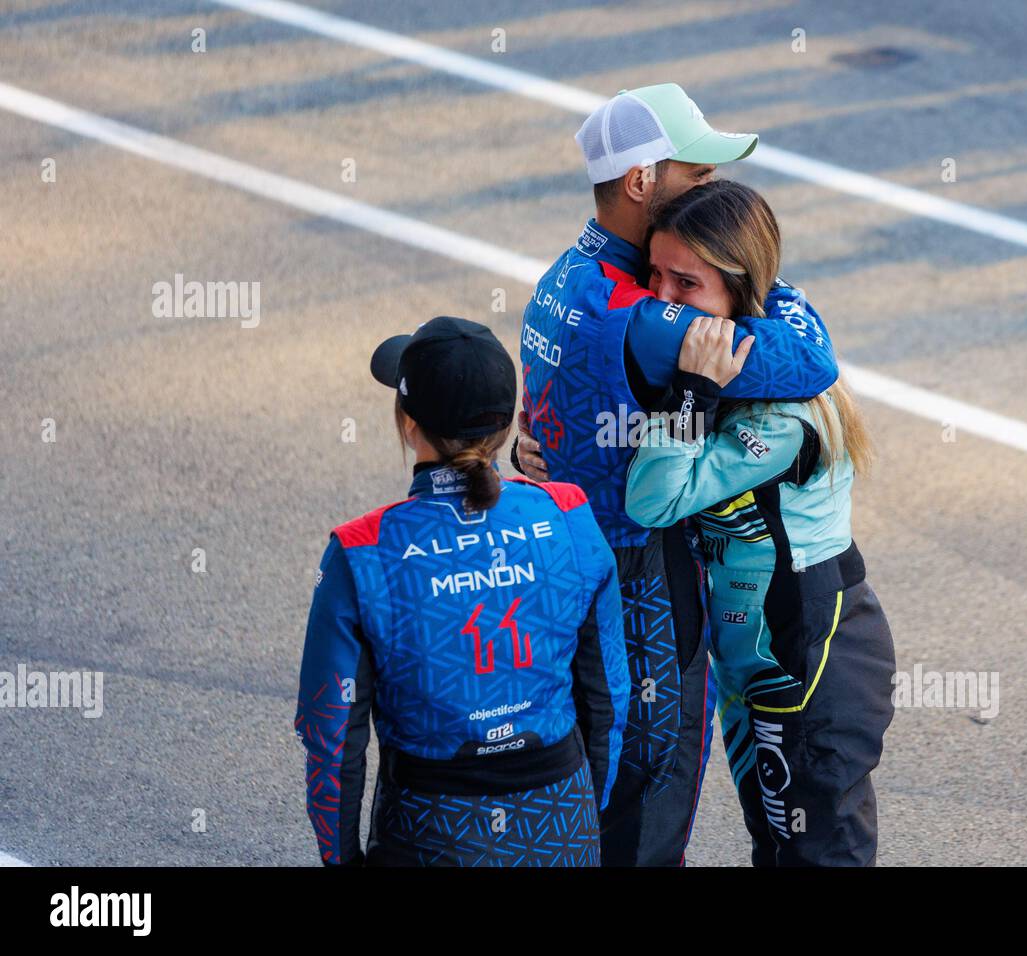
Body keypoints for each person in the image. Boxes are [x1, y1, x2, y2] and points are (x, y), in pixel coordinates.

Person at [514, 83, 840, 866]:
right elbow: (810, 360)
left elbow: (542, 412)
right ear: (640, 183)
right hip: (642, 576)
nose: (712, 189)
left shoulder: (563, 273)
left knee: (585, 777)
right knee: (651, 792)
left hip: (560, 549)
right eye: (696, 173)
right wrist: (760, 272)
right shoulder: (652, 318)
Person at [625, 180, 896, 866]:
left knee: (814, 851)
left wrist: (690, 393)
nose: (661, 299)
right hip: (754, 655)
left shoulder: (783, 413)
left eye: (686, 283)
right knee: (776, 844)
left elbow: (654, 499)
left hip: (809, 648)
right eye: (653, 275)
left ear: (741, 293)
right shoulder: (751, 352)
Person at [294, 316, 630, 866]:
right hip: (562, 823)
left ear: (407, 424)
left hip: (430, 831)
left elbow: (331, 734)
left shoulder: (361, 551)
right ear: (502, 431)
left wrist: (341, 860)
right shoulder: (568, 514)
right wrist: (583, 818)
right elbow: (608, 699)